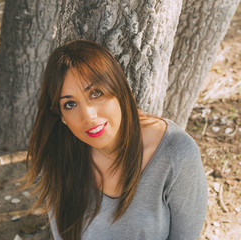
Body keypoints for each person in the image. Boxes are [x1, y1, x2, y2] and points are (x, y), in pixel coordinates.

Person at [22, 39, 208, 240]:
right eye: (70, 104)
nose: (88, 116)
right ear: (61, 118)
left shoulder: (176, 154)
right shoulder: (59, 154)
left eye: (96, 93)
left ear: (119, 89)